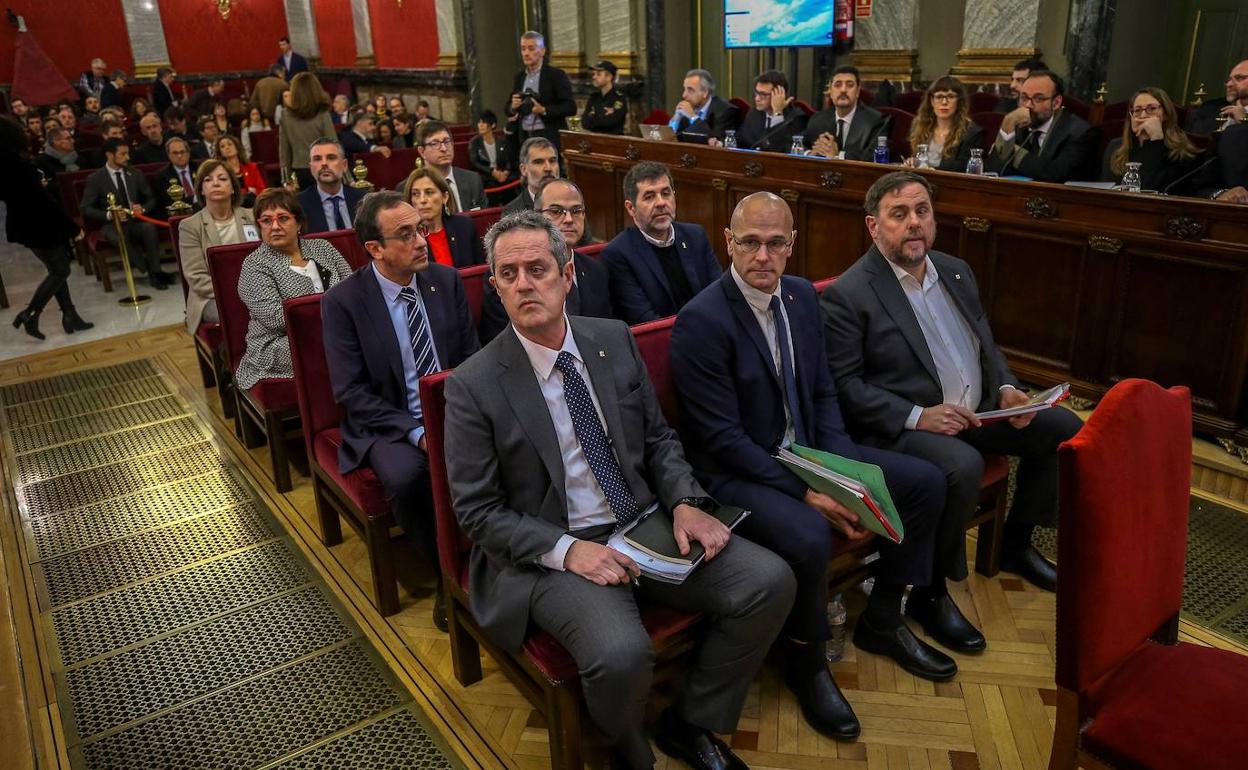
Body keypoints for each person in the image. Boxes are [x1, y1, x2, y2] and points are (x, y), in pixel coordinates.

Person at [443, 208, 795, 770]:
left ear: (568, 274)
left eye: (538, 269)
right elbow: (478, 511)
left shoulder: (611, 339)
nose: (524, 284)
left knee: (769, 581)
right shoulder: (473, 384)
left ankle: (690, 721)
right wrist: (570, 551)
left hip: (643, 520)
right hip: (553, 548)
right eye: (508, 275)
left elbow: (658, 439)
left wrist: (685, 501)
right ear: (495, 287)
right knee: (620, 653)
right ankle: (629, 753)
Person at [671, 193, 952, 739]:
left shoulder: (800, 297)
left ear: (792, 245)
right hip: (738, 471)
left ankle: (884, 617)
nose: (763, 255)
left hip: (807, 454)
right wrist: (808, 492)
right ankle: (807, 660)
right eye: (750, 242)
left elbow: (822, 392)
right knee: (807, 534)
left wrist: (843, 473)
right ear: (728, 242)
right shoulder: (701, 320)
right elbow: (722, 439)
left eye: (776, 243)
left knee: (924, 483)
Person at [821, 171, 1085, 594]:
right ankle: (933, 588)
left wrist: (1006, 388)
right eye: (899, 214)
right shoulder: (850, 294)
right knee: (963, 465)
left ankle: (1015, 543)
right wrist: (919, 416)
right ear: (873, 225)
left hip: (976, 412)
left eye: (922, 211)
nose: (914, 223)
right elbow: (845, 387)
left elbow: (986, 346)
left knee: (1063, 429)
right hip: (908, 427)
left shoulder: (954, 270)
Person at [322, 190, 479, 629]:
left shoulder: (445, 281)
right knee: (409, 477)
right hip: (388, 422)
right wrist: (417, 431)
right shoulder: (344, 302)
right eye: (406, 234)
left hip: (454, 410)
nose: (421, 241)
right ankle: (450, 575)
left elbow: (470, 357)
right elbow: (351, 392)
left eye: (420, 229)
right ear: (375, 249)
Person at [235, 188, 352, 391]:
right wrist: (336, 320)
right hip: (278, 344)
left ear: (298, 223)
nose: (275, 226)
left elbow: (352, 291)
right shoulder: (254, 265)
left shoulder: (323, 248)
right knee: (337, 345)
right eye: (266, 221)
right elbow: (275, 318)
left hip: (334, 331)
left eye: (283, 218)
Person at [479, 177, 611, 343]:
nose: (569, 219)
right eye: (556, 211)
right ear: (537, 217)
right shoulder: (507, 276)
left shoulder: (596, 270)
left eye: (576, 211)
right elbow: (499, 344)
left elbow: (605, 331)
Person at [2, 117, 93, 340]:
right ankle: (31, 313)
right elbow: (44, 202)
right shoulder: (19, 165)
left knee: (55, 268)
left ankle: (70, 315)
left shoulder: (4, 165)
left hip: (24, 224)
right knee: (61, 270)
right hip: (40, 224)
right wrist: (72, 227)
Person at [601, 161, 721, 324]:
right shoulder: (618, 254)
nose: (661, 203)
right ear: (631, 208)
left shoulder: (695, 236)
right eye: (649, 197)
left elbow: (719, 293)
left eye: (666, 193)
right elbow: (644, 319)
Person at [80, 138, 175, 289]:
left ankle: (155, 272)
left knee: (148, 228)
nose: (128, 157)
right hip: (111, 224)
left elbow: (151, 199)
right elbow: (86, 208)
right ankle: (149, 269)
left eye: (128, 153)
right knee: (118, 237)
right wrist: (110, 214)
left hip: (135, 220)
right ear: (109, 155)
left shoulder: (135, 173)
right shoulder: (96, 179)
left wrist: (142, 208)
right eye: (123, 154)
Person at [178, 159, 257, 334]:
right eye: (208, 180)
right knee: (238, 312)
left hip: (255, 291)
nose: (215, 183)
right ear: (201, 189)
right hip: (210, 297)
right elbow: (196, 277)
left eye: (222, 178)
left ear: (233, 187)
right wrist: (236, 295)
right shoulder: (190, 226)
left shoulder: (252, 217)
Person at [987, 70, 1099, 183]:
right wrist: (1007, 122)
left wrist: (1010, 149)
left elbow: (1054, 175)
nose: (1028, 105)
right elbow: (992, 172)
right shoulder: (1016, 123)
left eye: (1038, 99)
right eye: (1024, 97)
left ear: (1056, 103)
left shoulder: (1080, 133)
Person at [1102, 87, 1205, 193]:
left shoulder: (1181, 152)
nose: (1143, 115)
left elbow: (1152, 189)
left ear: (1166, 114)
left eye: (1151, 109)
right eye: (1137, 110)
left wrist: (1156, 140)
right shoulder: (1116, 147)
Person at [400, 164, 485, 267]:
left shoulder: (465, 227)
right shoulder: (407, 238)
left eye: (429, 192)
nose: (422, 200)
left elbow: (482, 269)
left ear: (445, 197)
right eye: (415, 194)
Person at [505, 31, 576, 152]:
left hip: (548, 136)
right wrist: (513, 107)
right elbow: (507, 108)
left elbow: (570, 107)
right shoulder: (519, 77)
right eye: (523, 49)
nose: (526, 53)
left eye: (531, 48)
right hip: (524, 136)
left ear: (542, 51)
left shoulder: (555, 75)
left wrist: (543, 110)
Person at [803, 66, 891, 161]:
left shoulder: (876, 121)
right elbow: (797, 142)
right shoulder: (818, 119)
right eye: (838, 85)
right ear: (831, 92)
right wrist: (810, 153)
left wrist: (838, 156)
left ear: (857, 91)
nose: (843, 90)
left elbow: (874, 157)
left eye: (850, 85)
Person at [905, 76, 985, 172]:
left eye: (950, 97)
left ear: (959, 101)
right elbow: (917, 158)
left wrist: (933, 170)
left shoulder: (971, 132)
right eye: (939, 97)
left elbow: (963, 166)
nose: (944, 102)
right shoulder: (919, 126)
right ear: (931, 101)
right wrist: (913, 162)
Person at [296, 137, 366, 232]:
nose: (324, 163)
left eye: (331, 158)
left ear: (344, 165)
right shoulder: (299, 204)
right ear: (311, 167)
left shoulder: (363, 199)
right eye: (317, 159)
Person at [280, 72, 336, 190]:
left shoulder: (285, 115)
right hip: (324, 168)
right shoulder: (323, 114)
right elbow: (333, 145)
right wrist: (347, 177)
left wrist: (286, 180)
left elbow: (284, 151)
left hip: (300, 170)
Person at [414, 120, 485, 210]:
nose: (444, 148)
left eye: (447, 141)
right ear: (422, 152)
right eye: (435, 144)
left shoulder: (473, 180)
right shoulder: (411, 188)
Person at [735, 69, 809, 153]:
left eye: (763, 94)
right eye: (756, 93)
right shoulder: (754, 113)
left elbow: (780, 149)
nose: (757, 98)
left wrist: (777, 112)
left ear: (780, 95)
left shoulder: (796, 118)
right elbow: (740, 141)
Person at [668, 68, 740, 143]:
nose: (684, 95)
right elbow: (670, 139)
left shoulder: (725, 111)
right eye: (684, 89)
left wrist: (693, 117)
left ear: (705, 92)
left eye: (690, 90)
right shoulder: (687, 110)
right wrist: (676, 119)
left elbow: (715, 142)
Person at [1187, 59, 1248, 135]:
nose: (1229, 84)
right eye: (1228, 80)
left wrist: (1243, 122)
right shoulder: (1208, 109)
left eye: (1239, 78)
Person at [502, 136, 559, 215]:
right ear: (524, 169)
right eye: (539, 162)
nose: (548, 168)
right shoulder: (513, 212)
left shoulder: (573, 200)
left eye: (552, 161)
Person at [152, 137, 200, 217]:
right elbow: (166, 202)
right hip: (179, 214)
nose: (179, 156)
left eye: (182, 152)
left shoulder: (200, 168)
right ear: (168, 155)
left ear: (188, 153)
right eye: (175, 153)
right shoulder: (161, 176)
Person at [468, 110, 515, 189]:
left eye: (484, 122)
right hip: (486, 175)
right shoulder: (474, 142)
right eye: (479, 122)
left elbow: (508, 159)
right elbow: (475, 162)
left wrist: (506, 172)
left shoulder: (501, 141)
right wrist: (492, 172)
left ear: (493, 125)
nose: (480, 125)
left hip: (501, 173)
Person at [581, 60, 628, 135]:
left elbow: (611, 122)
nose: (594, 77)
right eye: (594, 74)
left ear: (609, 77)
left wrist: (593, 118)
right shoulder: (594, 97)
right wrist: (601, 118)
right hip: (595, 138)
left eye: (598, 74)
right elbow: (585, 123)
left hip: (613, 139)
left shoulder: (618, 98)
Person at [215, 134, 266, 201]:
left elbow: (262, 190)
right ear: (220, 152)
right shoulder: (220, 171)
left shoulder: (251, 167)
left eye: (229, 144)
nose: (227, 147)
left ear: (237, 147)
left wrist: (254, 192)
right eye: (222, 146)